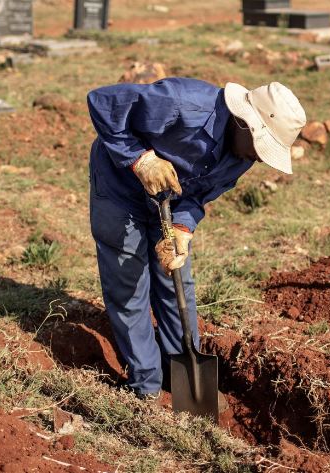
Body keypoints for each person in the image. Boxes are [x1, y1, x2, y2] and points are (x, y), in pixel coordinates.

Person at [86, 77, 306, 400]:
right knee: (129, 284)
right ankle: (145, 386)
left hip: (169, 203)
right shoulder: (180, 103)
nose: (260, 159)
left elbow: (200, 194)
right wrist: (141, 159)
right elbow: (102, 103)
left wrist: (183, 229)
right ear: (245, 124)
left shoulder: (241, 156)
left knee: (176, 282)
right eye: (262, 149)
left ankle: (183, 379)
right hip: (121, 190)